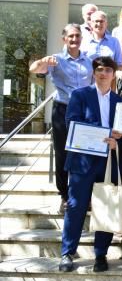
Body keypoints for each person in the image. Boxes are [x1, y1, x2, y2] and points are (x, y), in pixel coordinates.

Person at [58, 56, 122, 273]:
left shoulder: (120, 102)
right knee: (76, 207)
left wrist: (119, 139)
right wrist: (106, 133)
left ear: (113, 74)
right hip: (82, 161)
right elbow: (73, 123)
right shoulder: (80, 95)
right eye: (99, 70)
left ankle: (101, 255)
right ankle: (67, 253)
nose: (103, 73)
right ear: (93, 73)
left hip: (107, 162)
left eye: (107, 70)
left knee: (105, 207)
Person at [29, 24, 93, 214]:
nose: (75, 39)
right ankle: (64, 196)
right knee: (63, 154)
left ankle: (82, 195)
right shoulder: (56, 59)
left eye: (77, 36)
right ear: (64, 39)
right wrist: (42, 61)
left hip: (84, 111)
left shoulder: (89, 61)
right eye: (71, 36)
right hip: (63, 110)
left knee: (84, 154)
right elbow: (34, 69)